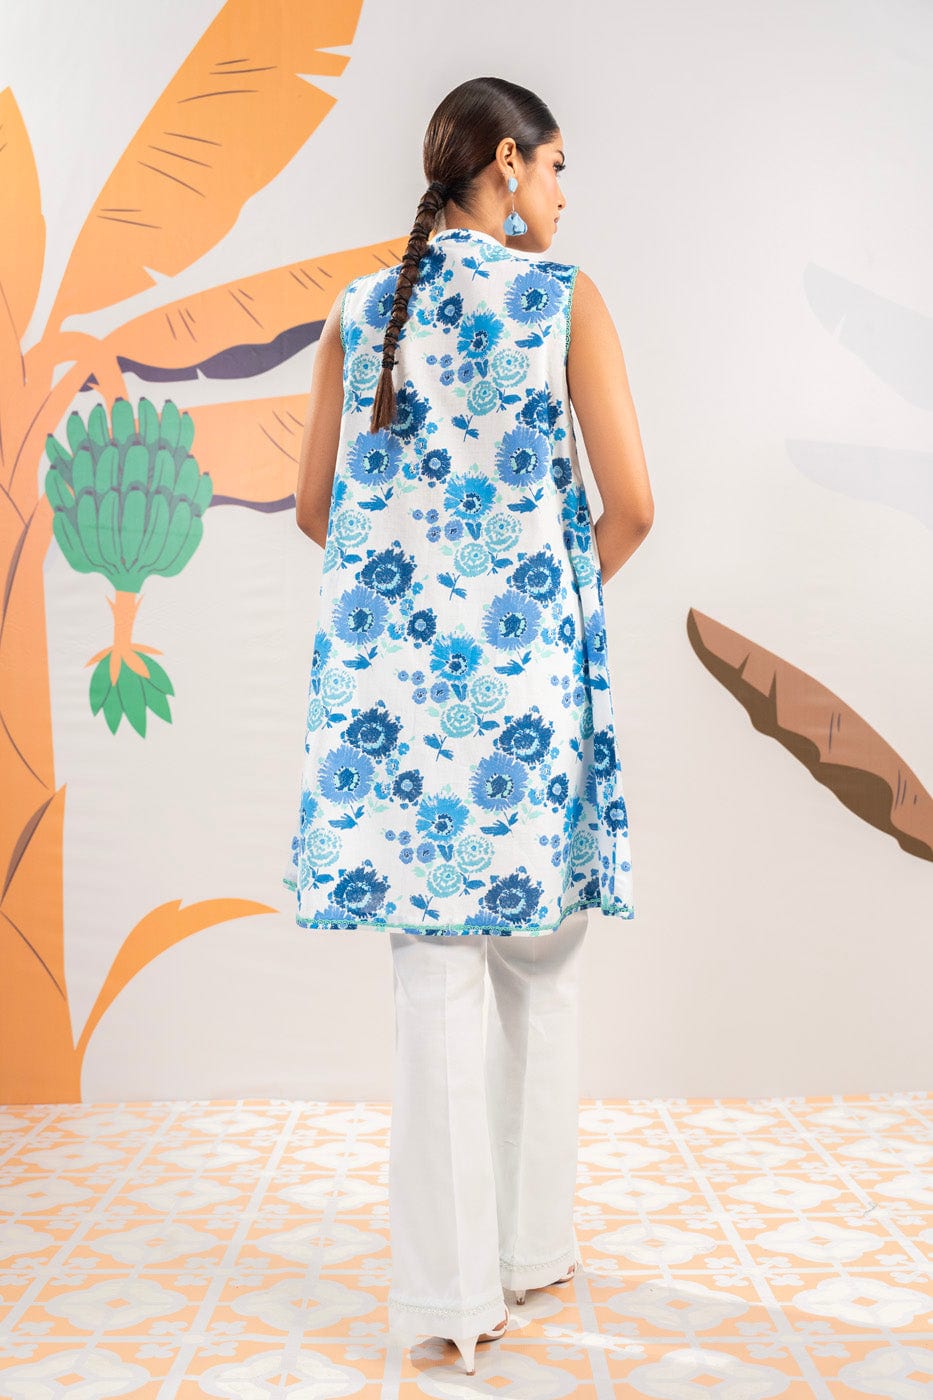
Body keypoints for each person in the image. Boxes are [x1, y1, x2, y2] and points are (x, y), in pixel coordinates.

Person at [284, 76, 653, 1374]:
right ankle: (530, 1248)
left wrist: (426, 599)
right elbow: (633, 508)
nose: (560, 195)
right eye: (555, 168)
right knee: (542, 965)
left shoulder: (356, 310)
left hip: (396, 706)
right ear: (505, 163)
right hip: (529, 695)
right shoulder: (563, 300)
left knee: (432, 983)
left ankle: (447, 1298)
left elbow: (316, 511)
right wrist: (537, 602)